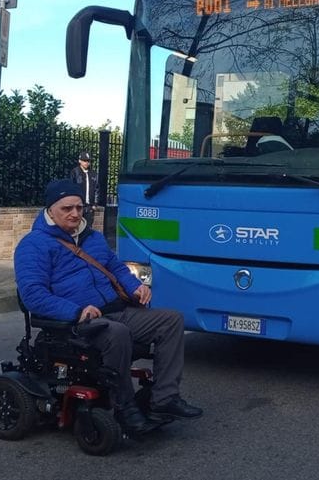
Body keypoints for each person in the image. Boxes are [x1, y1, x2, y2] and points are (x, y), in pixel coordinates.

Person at [14, 179, 202, 433]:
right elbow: (33, 295)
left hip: (115, 310)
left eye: (79, 208)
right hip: (76, 323)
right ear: (50, 210)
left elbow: (115, 268)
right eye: (67, 208)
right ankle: (124, 406)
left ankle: (164, 399)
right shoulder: (34, 245)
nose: (75, 214)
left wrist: (135, 286)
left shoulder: (92, 237)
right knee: (117, 333)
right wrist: (75, 311)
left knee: (171, 320)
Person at [69, 152, 98, 226]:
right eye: (84, 160)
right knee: (76, 226)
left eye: (88, 161)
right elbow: (72, 188)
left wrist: (95, 204)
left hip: (89, 207)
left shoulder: (93, 174)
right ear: (80, 161)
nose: (86, 163)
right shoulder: (75, 172)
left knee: (88, 228)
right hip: (78, 205)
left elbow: (97, 189)